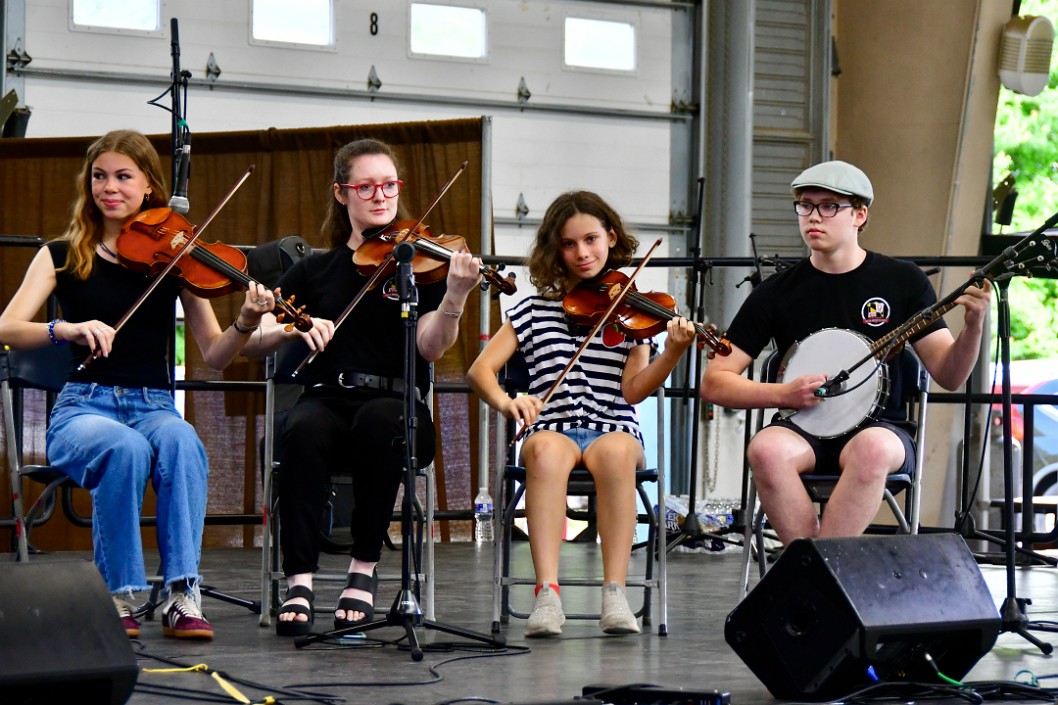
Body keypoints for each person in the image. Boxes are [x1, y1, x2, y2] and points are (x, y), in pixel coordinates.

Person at [0, 129, 276, 639]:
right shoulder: (61, 253)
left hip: (155, 406)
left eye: (123, 176)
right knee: (124, 448)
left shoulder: (175, 258)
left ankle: (181, 593)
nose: (109, 187)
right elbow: (7, 326)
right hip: (84, 408)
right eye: (99, 176)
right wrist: (66, 329)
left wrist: (245, 320)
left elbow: (214, 354)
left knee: (183, 443)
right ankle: (118, 594)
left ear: (149, 185)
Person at [242, 138, 483, 637]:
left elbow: (430, 348)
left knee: (381, 423)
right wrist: (292, 328)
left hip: (396, 403)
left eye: (389, 185)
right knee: (300, 427)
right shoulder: (313, 271)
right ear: (341, 193)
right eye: (366, 186)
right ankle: (300, 581)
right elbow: (255, 343)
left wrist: (455, 295)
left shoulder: (417, 265)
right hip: (327, 396)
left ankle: (363, 571)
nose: (381, 195)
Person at [700, 160, 992, 544]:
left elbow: (950, 375)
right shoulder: (776, 292)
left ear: (859, 214)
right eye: (805, 205)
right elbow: (715, 381)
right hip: (802, 428)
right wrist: (783, 394)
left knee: (871, 449)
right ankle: (818, 577)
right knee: (766, 449)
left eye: (829, 206)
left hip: (880, 428)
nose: (813, 217)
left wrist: (973, 327)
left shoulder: (903, 281)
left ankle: (812, 578)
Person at [466, 190, 696, 638]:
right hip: (552, 425)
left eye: (591, 239)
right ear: (557, 249)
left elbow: (633, 392)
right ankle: (547, 594)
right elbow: (481, 371)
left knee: (614, 456)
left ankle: (615, 592)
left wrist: (672, 353)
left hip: (615, 425)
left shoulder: (631, 313)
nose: (581, 253)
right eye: (569, 244)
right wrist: (509, 402)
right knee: (546, 453)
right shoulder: (532, 311)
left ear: (611, 237)